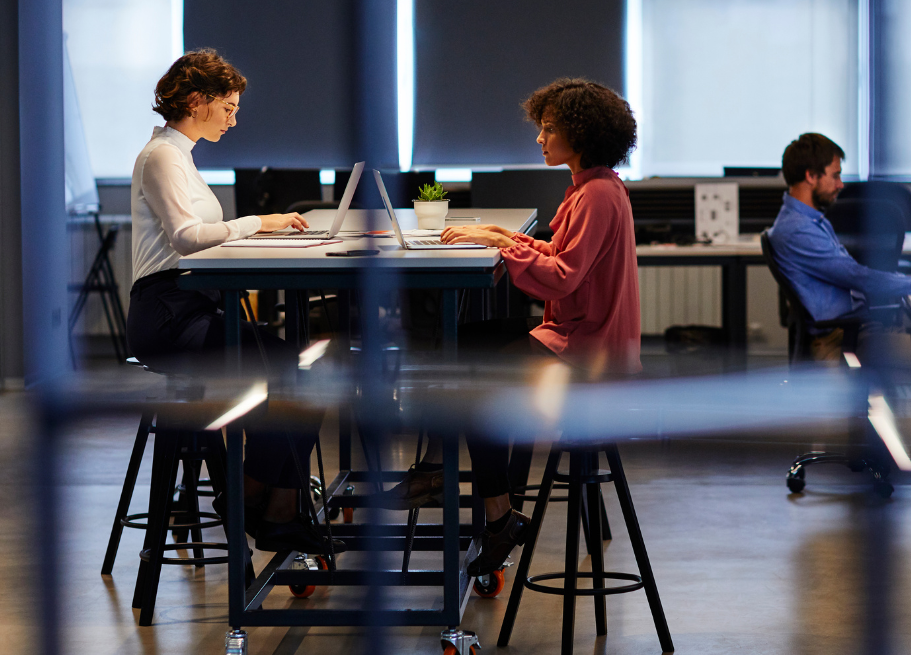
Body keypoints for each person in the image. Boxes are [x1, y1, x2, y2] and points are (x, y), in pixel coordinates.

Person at [382, 78, 642, 577]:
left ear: (580, 133)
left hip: (586, 352)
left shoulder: (596, 197)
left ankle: (497, 515)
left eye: (549, 130)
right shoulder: (595, 188)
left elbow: (562, 279)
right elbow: (565, 258)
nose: (540, 139)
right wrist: (502, 235)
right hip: (582, 340)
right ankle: (438, 473)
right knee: (465, 348)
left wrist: (502, 246)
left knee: (474, 380)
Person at [126, 48, 341, 554]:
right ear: (198, 101)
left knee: (297, 368)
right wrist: (258, 224)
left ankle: (264, 500)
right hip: (167, 314)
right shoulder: (161, 156)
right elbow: (185, 236)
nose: (234, 119)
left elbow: (203, 236)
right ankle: (263, 501)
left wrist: (258, 237)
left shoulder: (180, 157)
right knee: (294, 369)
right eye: (229, 107)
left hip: (194, 306)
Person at [767, 133, 911, 497]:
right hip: (844, 341)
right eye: (835, 175)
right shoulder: (798, 230)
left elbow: (852, 277)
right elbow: (858, 276)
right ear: (811, 176)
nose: (841, 184)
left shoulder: (807, 220)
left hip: (853, 329)